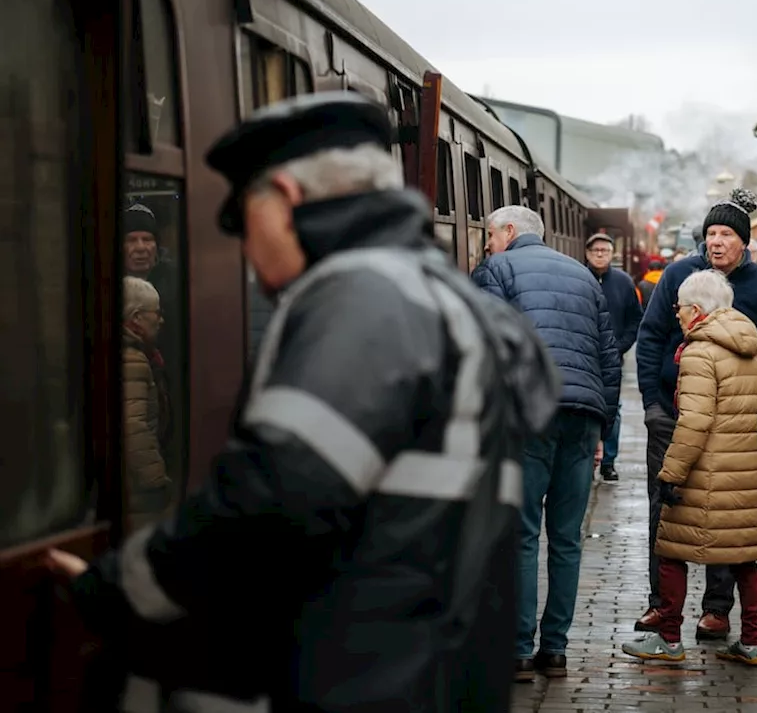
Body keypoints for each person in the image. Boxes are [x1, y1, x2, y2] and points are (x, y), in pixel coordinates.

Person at [47, 92, 560, 712]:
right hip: (434, 675)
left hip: (361, 682)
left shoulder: (364, 297)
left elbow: (276, 497)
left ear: (286, 199)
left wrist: (116, 592)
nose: (241, 244)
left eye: (240, 217)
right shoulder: (444, 298)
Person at [634, 188, 757, 642]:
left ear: (745, 241)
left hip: (734, 425)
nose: (716, 241)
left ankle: (717, 609)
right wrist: (651, 402)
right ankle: (661, 605)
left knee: (725, 514)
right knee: (664, 511)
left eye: (726, 233)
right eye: (711, 233)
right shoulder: (679, 276)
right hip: (671, 413)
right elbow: (650, 338)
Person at [471, 205, 621, 683]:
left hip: (525, 414)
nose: (488, 243)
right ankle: (554, 650)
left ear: (510, 232)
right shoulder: (582, 274)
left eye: (490, 235)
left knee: (520, 531)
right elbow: (609, 357)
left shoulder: (496, 268)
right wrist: (603, 426)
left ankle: (517, 649)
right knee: (566, 537)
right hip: (581, 418)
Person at [621, 270, 757, 666]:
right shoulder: (751, 348)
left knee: (669, 550)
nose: (678, 316)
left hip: (704, 471)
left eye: (681, 308)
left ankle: (668, 639)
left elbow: (695, 421)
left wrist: (670, 473)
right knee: (742, 556)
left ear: (697, 309)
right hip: (743, 471)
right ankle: (751, 642)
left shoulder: (700, 352)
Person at [584, 232, 642, 482]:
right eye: (595, 250)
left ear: (612, 254)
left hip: (613, 357)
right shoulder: (580, 277)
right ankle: (585, 460)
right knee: (584, 407)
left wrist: (621, 347)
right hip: (584, 356)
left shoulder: (624, 282)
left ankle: (609, 461)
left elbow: (635, 319)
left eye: (604, 250)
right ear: (587, 253)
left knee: (613, 409)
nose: (599, 254)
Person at [121, 276, 172, 531]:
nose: (161, 320)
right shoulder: (133, 359)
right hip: (137, 489)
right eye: (157, 313)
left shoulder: (135, 353)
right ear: (138, 318)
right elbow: (132, 426)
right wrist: (156, 480)